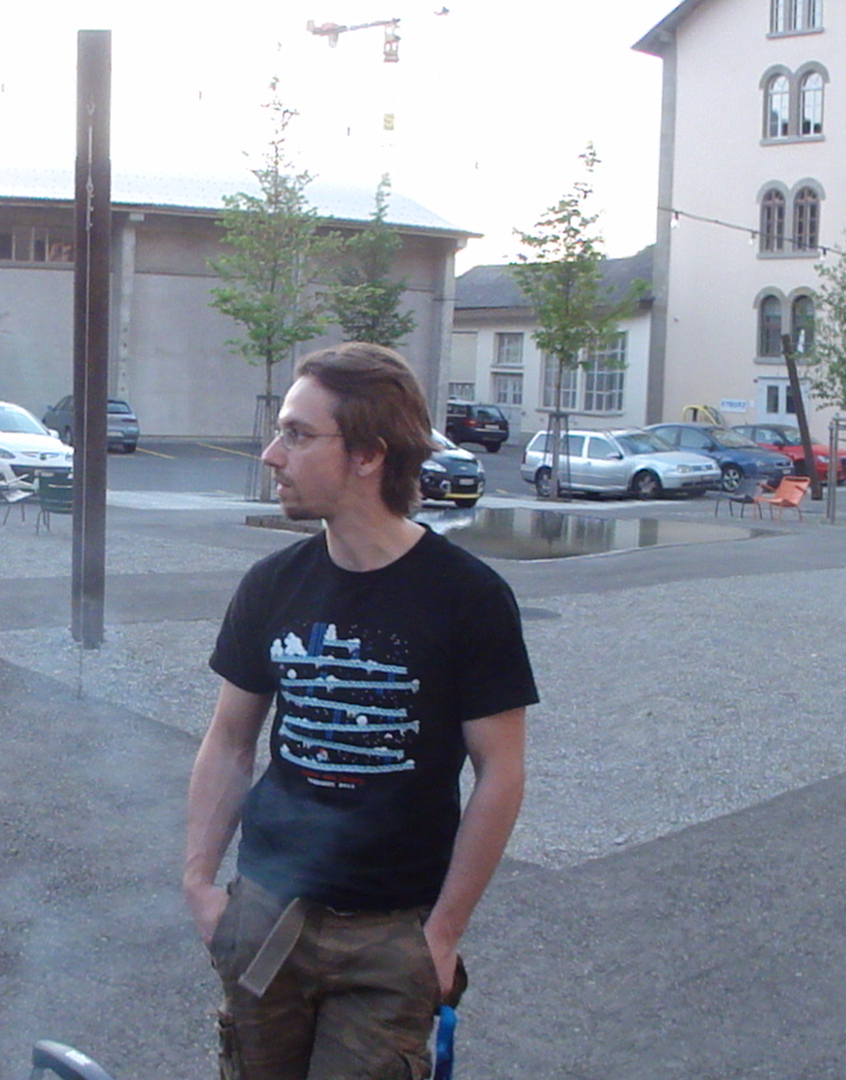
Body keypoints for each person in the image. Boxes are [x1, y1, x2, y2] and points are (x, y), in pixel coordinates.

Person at [180, 342, 536, 1080]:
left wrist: (442, 935)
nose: (273, 455)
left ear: (370, 454)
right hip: (266, 915)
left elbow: (501, 774)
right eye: (280, 432)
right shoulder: (271, 584)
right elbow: (230, 741)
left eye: (298, 434)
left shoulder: (467, 597)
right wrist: (200, 884)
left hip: (390, 936)